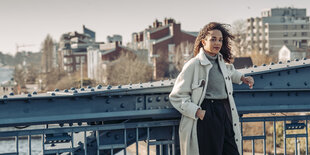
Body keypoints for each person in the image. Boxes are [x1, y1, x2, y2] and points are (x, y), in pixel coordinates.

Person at [169, 22, 254, 155]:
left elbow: (230, 72)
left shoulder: (221, 62)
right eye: (213, 39)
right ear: (203, 42)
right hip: (208, 113)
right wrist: (197, 111)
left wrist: (243, 78)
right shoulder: (193, 65)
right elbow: (176, 96)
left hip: (225, 112)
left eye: (220, 40)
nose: (217, 43)